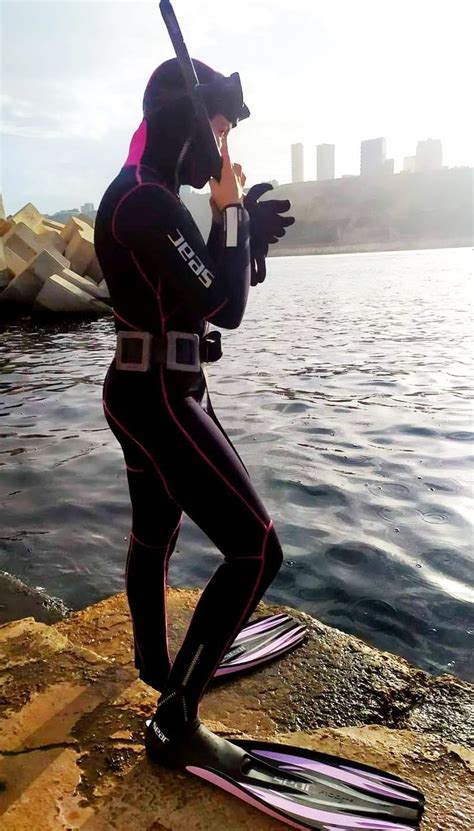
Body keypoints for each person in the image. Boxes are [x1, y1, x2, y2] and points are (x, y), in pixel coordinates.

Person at [94, 57, 291, 758]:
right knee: (257, 549)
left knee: (155, 529)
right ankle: (175, 719)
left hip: (144, 389)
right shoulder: (145, 202)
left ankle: (154, 664)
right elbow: (224, 306)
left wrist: (239, 234)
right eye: (219, 128)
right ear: (185, 122)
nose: (226, 149)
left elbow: (197, 287)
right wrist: (231, 215)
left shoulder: (143, 194)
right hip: (160, 398)